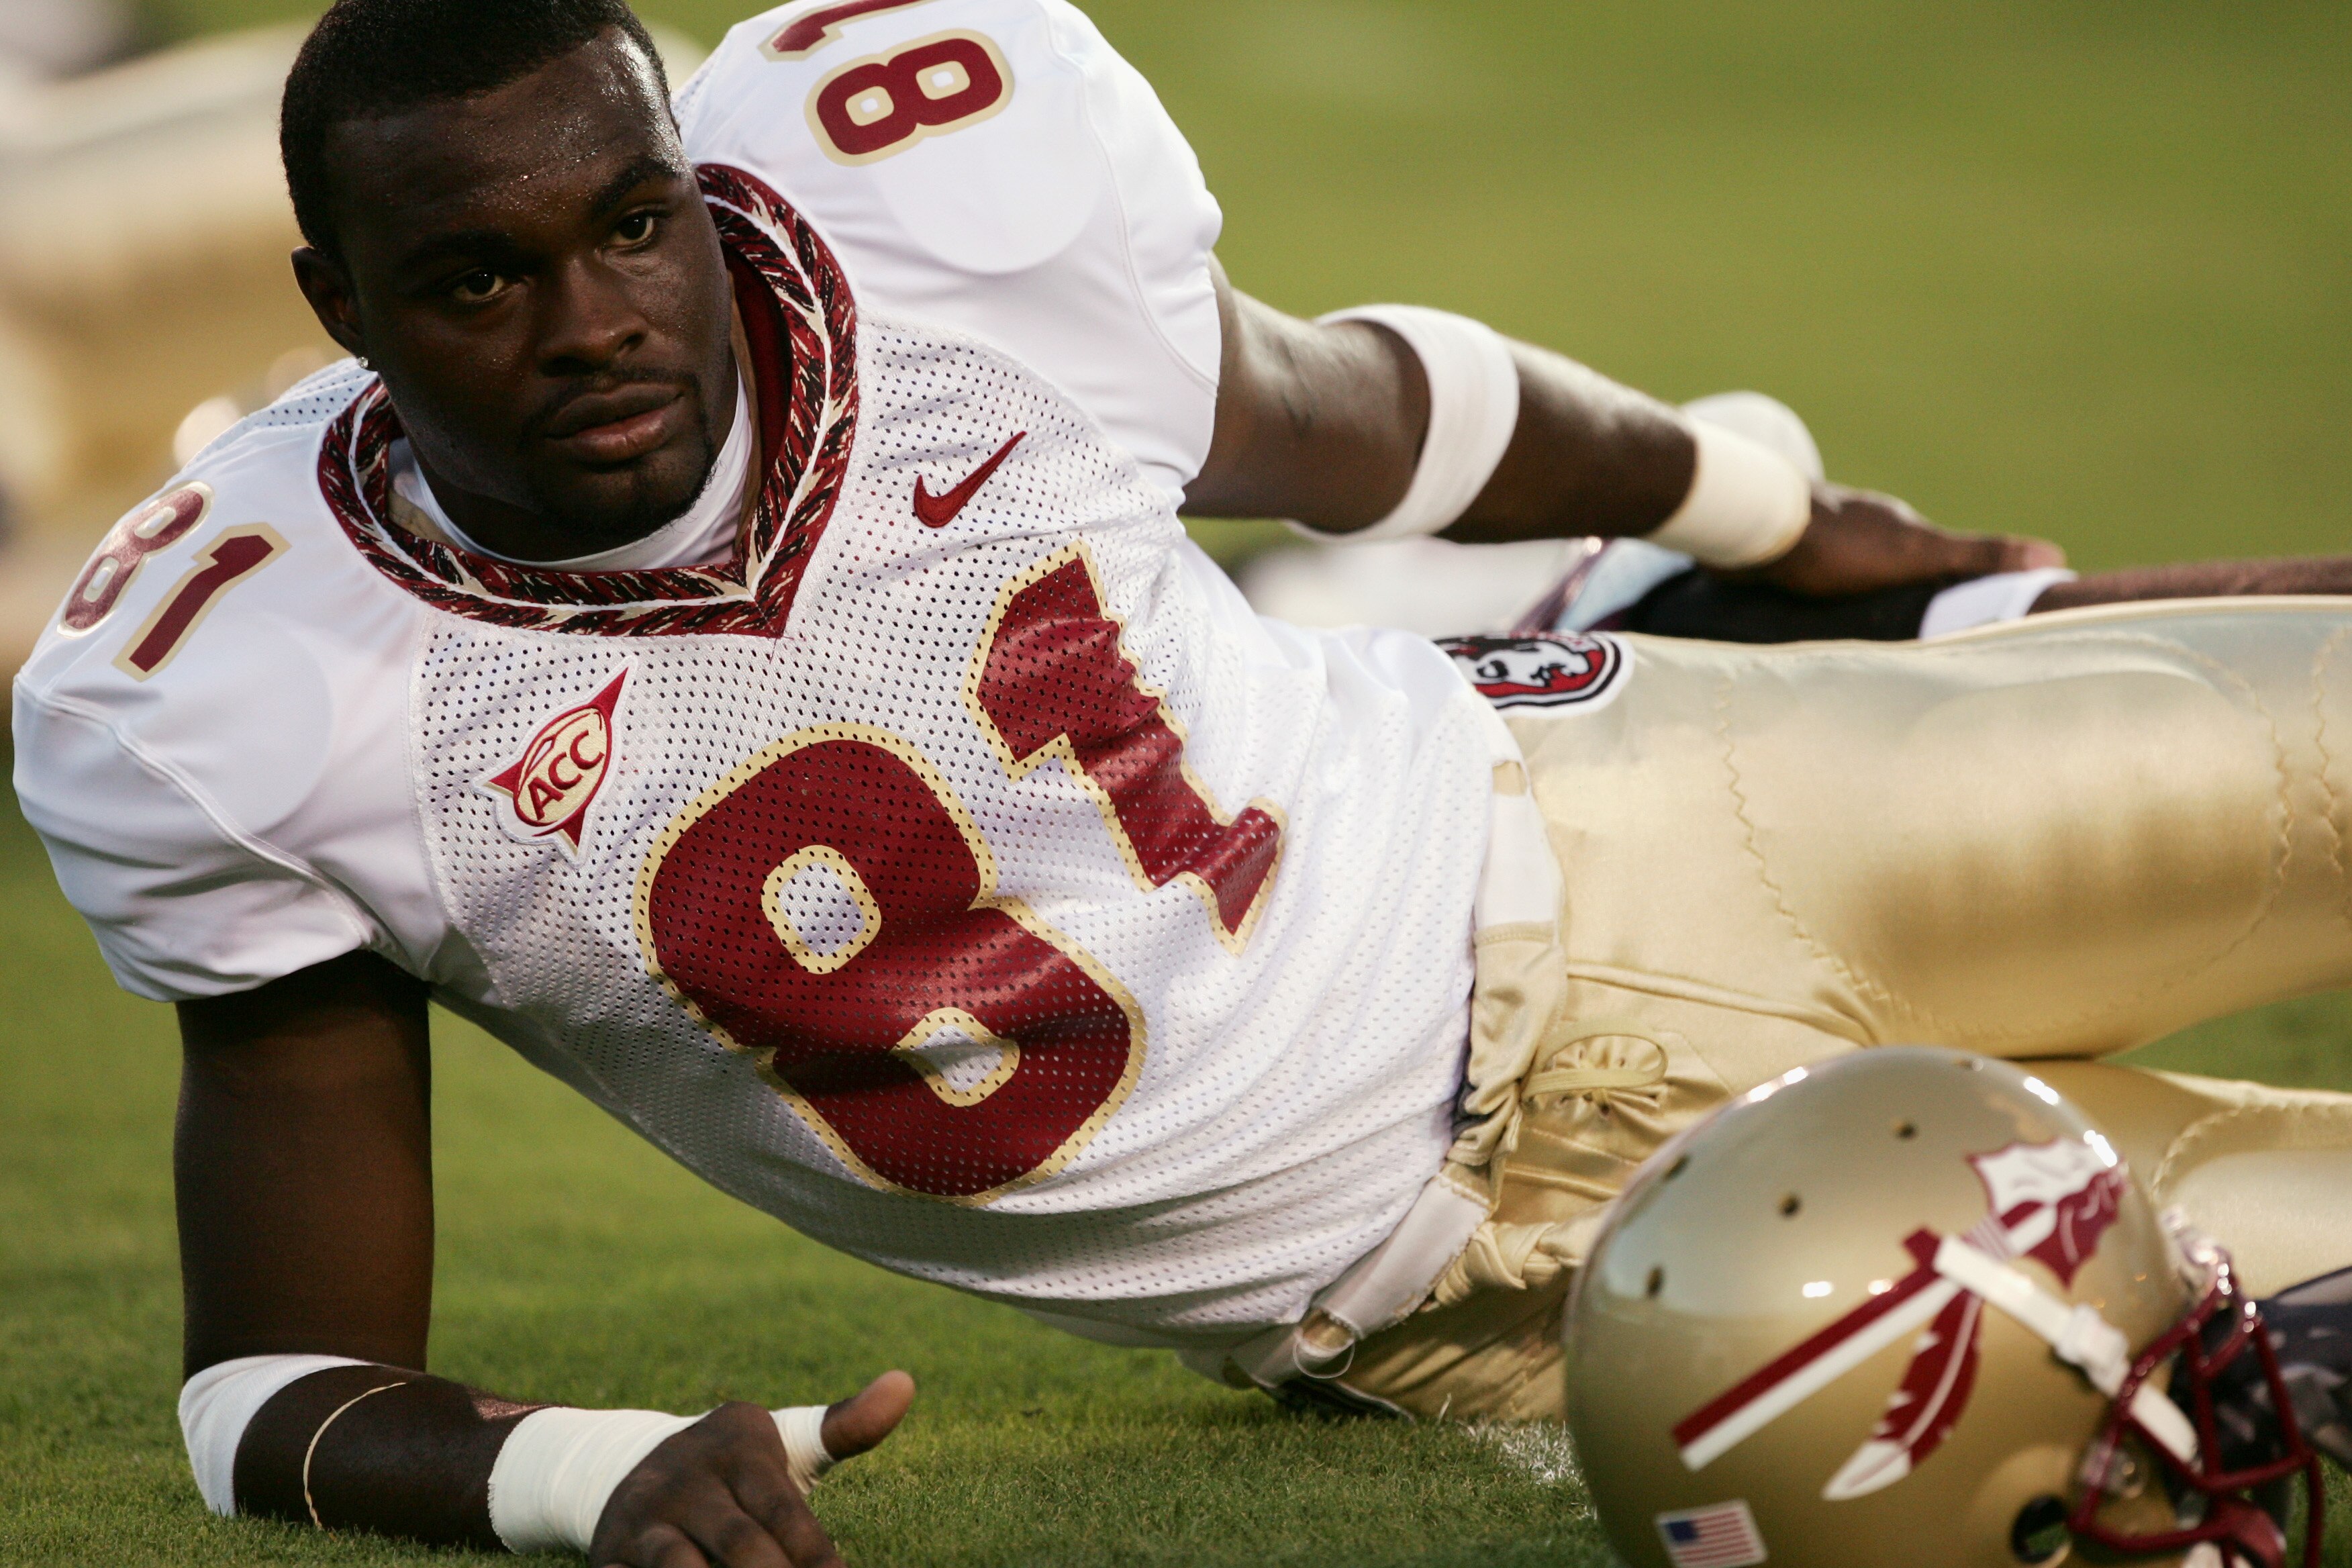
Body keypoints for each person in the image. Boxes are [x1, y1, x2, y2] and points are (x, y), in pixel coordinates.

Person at [12, 1, 2352, 1563]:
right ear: (337, 306)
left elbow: (1369, 411)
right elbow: (270, 1387)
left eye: (632, 224)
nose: (596, 318)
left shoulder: (914, 229)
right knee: (2203, 1388)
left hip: (1645, 801)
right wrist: (583, 1478)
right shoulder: (244, 693)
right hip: (1500, 1263)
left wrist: (1774, 513)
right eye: (476, 281)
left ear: (688, 177)